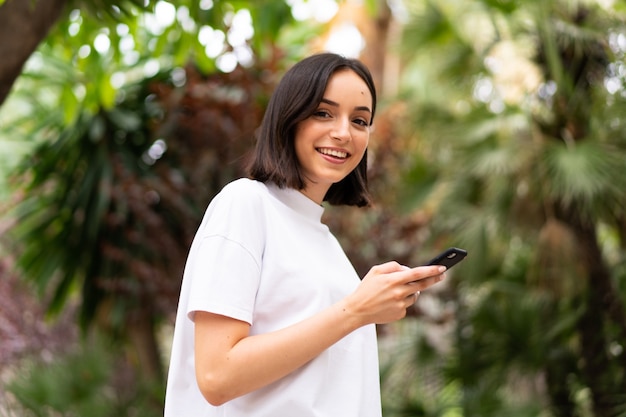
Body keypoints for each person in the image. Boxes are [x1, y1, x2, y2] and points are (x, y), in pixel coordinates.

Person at [163, 52, 447, 417]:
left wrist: (361, 308)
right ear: (289, 118)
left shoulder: (329, 248)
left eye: (360, 120)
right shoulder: (246, 204)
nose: (344, 132)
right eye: (323, 113)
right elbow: (218, 375)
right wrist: (356, 310)